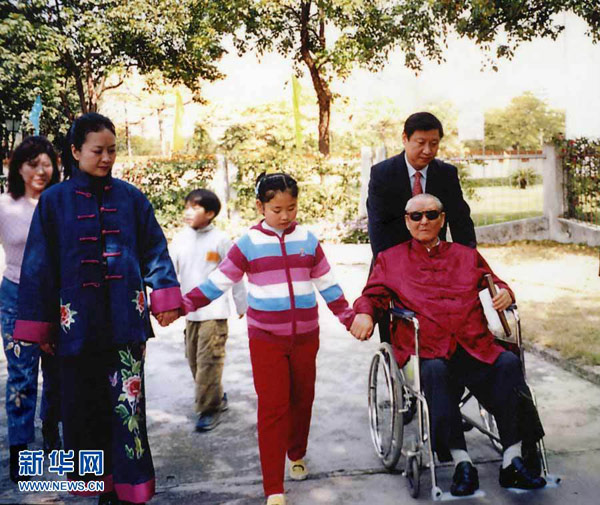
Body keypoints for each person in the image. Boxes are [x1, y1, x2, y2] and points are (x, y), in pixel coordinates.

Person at [13, 113, 181, 505]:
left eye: (112, 151)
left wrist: (164, 295)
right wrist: (42, 327)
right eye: (97, 151)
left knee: (127, 406)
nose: (106, 158)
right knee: (82, 409)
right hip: (75, 327)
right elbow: (38, 266)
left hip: (126, 324)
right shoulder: (54, 202)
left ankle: (128, 490)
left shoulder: (131, 198)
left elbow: (154, 248)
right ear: (75, 152)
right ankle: (99, 488)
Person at [180, 172, 358, 505]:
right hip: (266, 339)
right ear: (260, 206)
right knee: (273, 409)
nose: (285, 215)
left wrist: (348, 316)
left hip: (306, 337)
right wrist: (184, 304)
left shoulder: (308, 240)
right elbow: (220, 281)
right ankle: (273, 487)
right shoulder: (248, 243)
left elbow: (327, 283)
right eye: (277, 209)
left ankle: (297, 452)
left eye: (292, 207)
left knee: (302, 400)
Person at [351, 193, 546, 496]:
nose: (424, 221)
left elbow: (495, 282)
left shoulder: (466, 255)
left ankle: (512, 459)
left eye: (431, 215)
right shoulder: (390, 259)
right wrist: (364, 314)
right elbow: (372, 296)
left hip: (473, 344)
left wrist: (506, 292)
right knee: (436, 372)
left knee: (507, 362)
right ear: (407, 221)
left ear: (442, 219)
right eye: (416, 216)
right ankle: (461, 462)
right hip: (426, 349)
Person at [367, 111, 476, 342]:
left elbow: (461, 222)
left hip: (436, 266)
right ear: (405, 139)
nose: (427, 150)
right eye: (421, 143)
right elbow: (378, 228)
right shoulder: (382, 174)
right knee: (396, 334)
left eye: (434, 144)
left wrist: (467, 262)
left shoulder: (446, 174)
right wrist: (392, 269)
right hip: (395, 265)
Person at [0, 136, 62, 483]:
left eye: (46, 164)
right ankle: (20, 449)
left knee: (58, 372)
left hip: (58, 298)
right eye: (32, 164)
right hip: (16, 296)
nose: (41, 171)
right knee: (22, 375)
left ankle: (53, 436)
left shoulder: (61, 203)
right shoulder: (4, 205)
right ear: (18, 168)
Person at [170, 188, 247, 432]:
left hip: (215, 312)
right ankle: (216, 396)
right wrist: (167, 303)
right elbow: (170, 272)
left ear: (210, 213)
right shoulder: (180, 239)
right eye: (186, 207)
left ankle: (208, 409)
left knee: (208, 361)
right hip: (190, 312)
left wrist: (241, 303)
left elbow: (235, 273)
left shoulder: (221, 240)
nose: (188, 212)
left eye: (195, 208)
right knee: (194, 360)